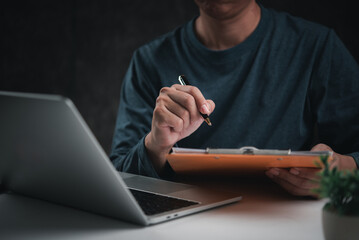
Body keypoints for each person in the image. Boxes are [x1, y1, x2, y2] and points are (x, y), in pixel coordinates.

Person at [110, 0, 359, 197]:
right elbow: (118, 178)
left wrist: (344, 169)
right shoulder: (149, 61)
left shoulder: (316, 46)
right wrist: (155, 145)